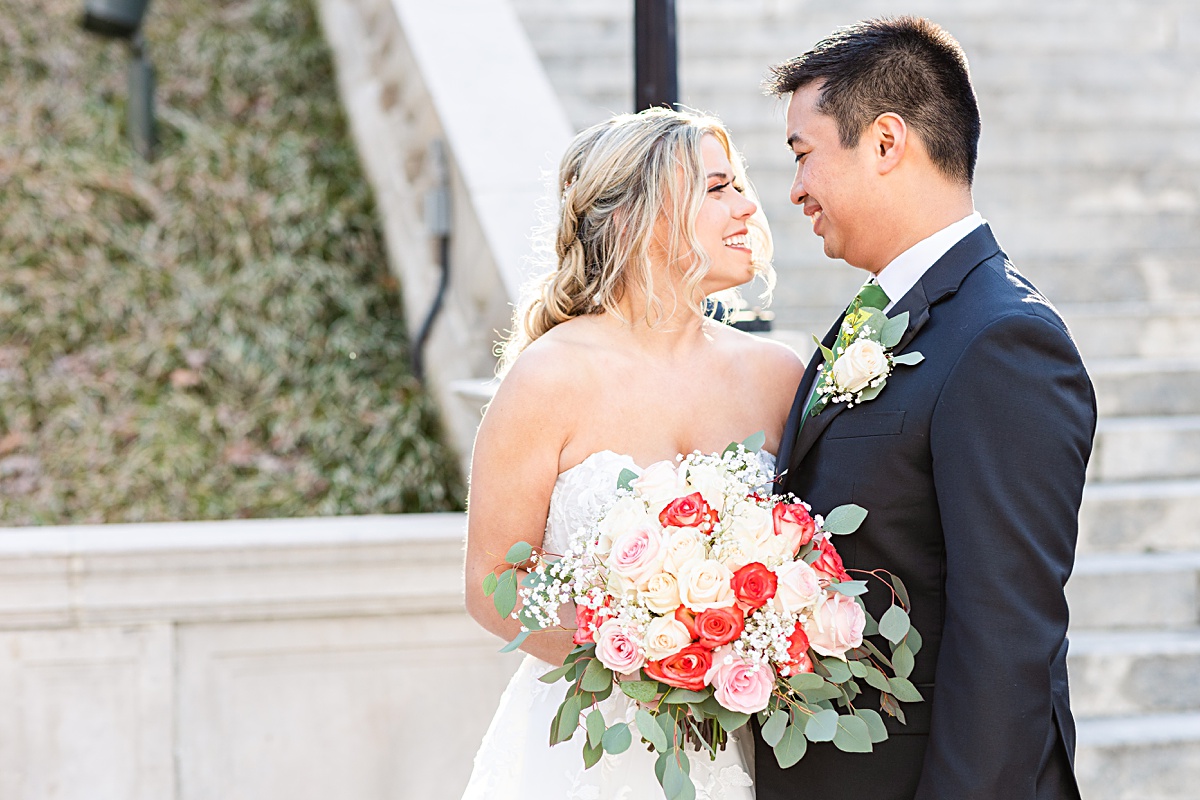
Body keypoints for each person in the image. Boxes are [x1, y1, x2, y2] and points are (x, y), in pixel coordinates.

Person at [760, 16, 1096, 800]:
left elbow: (1007, 642)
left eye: (803, 155)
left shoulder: (1004, 340)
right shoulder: (879, 316)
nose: (795, 188)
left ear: (885, 142)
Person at [461, 107, 805, 799]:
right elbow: (492, 581)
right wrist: (644, 660)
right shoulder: (548, 378)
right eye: (716, 188)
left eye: (738, 185)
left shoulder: (777, 376)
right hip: (591, 751)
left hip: (744, 741)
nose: (748, 206)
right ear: (633, 219)